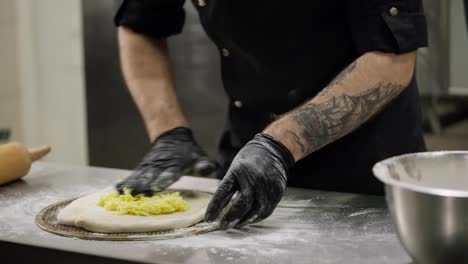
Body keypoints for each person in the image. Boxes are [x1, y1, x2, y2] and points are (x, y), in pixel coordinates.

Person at [114, 0, 428, 230]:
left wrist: (279, 144)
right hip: (248, 160)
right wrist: (169, 133)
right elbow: (140, 26)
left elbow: (391, 61)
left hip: (362, 170)